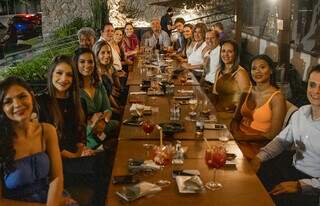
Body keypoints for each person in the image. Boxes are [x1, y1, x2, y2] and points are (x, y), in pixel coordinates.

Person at [37, 55, 109, 205]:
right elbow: (43, 141)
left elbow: (80, 133)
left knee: (109, 159)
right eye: (59, 73)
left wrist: (81, 149)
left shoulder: (78, 101)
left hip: (76, 157)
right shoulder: (41, 103)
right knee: (101, 171)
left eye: (69, 74)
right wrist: (72, 155)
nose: (64, 79)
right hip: (56, 164)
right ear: (51, 74)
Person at [251, 64, 320, 206]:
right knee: (249, 182)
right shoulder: (301, 112)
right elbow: (282, 141)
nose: (316, 91)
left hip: (313, 185)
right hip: (292, 168)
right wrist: (258, 158)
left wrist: (300, 185)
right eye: (312, 85)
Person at [0, 76, 76, 205]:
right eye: (8, 102)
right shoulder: (2, 141)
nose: (17, 104)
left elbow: (56, 178)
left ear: (32, 96)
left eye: (22, 96)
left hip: (53, 199)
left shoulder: (47, 131)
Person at [230, 55, 286, 159]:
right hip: (240, 139)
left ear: (271, 71)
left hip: (258, 146)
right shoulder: (247, 90)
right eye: (254, 68)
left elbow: (273, 134)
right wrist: (235, 133)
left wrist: (243, 138)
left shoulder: (277, 98)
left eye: (262, 67)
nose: (257, 71)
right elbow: (235, 119)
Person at [73, 47, 119, 150]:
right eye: (82, 62)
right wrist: (92, 126)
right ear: (76, 64)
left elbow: (107, 109)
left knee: (122, 127)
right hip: (86, 134)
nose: (87, 65)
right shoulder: (73, 90)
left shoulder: (98, 84)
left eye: (90, 62)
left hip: (102, 125)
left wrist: (104, 122)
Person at [212, 40, 251, 126]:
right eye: (223, 51)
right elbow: (215, 94)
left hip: (233, 116)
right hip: (219, 112)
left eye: (230, 51)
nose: (225, 54)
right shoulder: (219, 71)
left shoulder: (240, 73)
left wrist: (235, 117)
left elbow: (248, 99)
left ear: (235, 54)